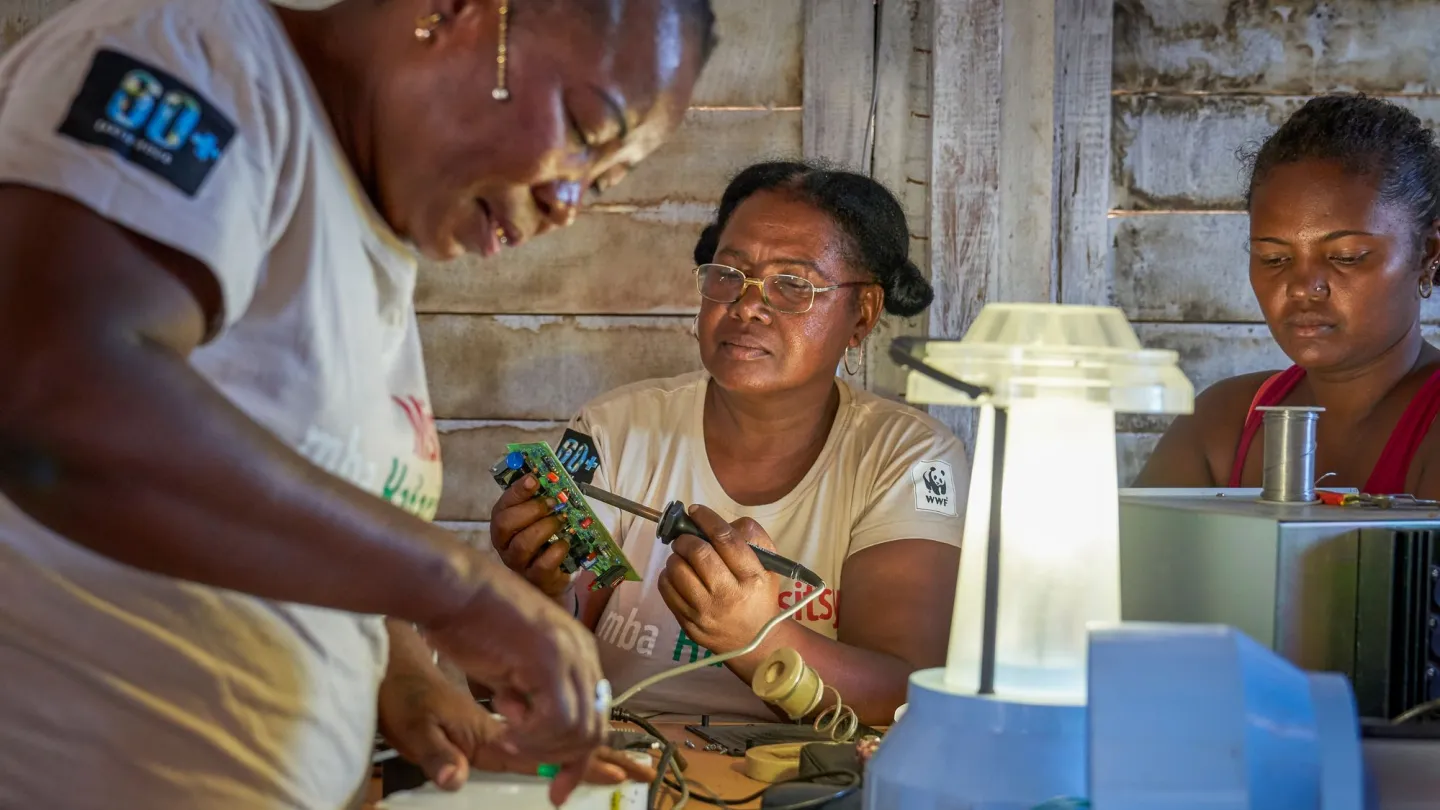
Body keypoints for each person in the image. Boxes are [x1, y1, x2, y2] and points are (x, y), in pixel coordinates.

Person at [0, 0, 715, 807]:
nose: (571, 203)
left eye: (607, 180)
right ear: (453, 12)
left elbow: (283, 523)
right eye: (587, 131)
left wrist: (400, 676)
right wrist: (455, 590)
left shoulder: (363, 227)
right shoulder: (198, 59)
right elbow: (51, 391)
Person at [490, 161, 967, 726]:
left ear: (861, 316)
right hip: (623, 764)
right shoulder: (615, 429)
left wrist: (759, 640)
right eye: (729, 275)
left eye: (792, 284)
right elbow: (499, 680)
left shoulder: (907, 458)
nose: (745, 305)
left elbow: (905, 693)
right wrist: (539, 588)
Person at [1136, 94, 1440, 497]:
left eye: (1346, 257)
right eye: (1275, 258)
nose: (1301, 287)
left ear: (1428, 253)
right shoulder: (1222, 424)